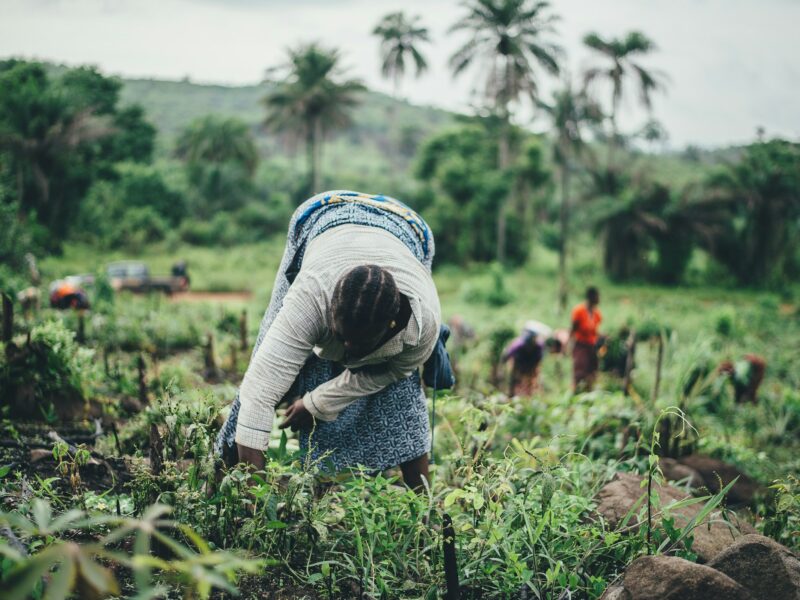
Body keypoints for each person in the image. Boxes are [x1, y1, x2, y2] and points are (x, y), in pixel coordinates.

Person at [215, 190, 441, 490]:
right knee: (265, 362)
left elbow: (391, 372)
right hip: (323, 216)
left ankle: (423, 511)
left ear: (391, 326)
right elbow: (260, 391)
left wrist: (317, 403)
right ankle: (223, 470)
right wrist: (255, 498)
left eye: (357, 346)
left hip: (409, 229)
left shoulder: (422, 326)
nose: (346, 351)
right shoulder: (312, 295)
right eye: (340, 337)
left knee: (401, 395)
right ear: (329, 310)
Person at [502, 321, 551, 397]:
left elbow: (539, 359)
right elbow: (507, 354)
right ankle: (512, 395)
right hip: (519, 365)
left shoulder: (539, 345)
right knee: (515, 381)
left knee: (531, 383)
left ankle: (529, 396)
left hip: (531, 366)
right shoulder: (518, 344)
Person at [570, 287, 602, 392]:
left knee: (592, 371)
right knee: (580, 370)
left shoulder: (597, 314)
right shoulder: (579, 311)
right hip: (580, 344)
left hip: (592, 345)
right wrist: (569, 343)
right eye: (597, 296)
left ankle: (589, 391)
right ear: (591, 297)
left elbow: (594, 331)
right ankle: (576, 391)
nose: (599, 299)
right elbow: (574, 329)